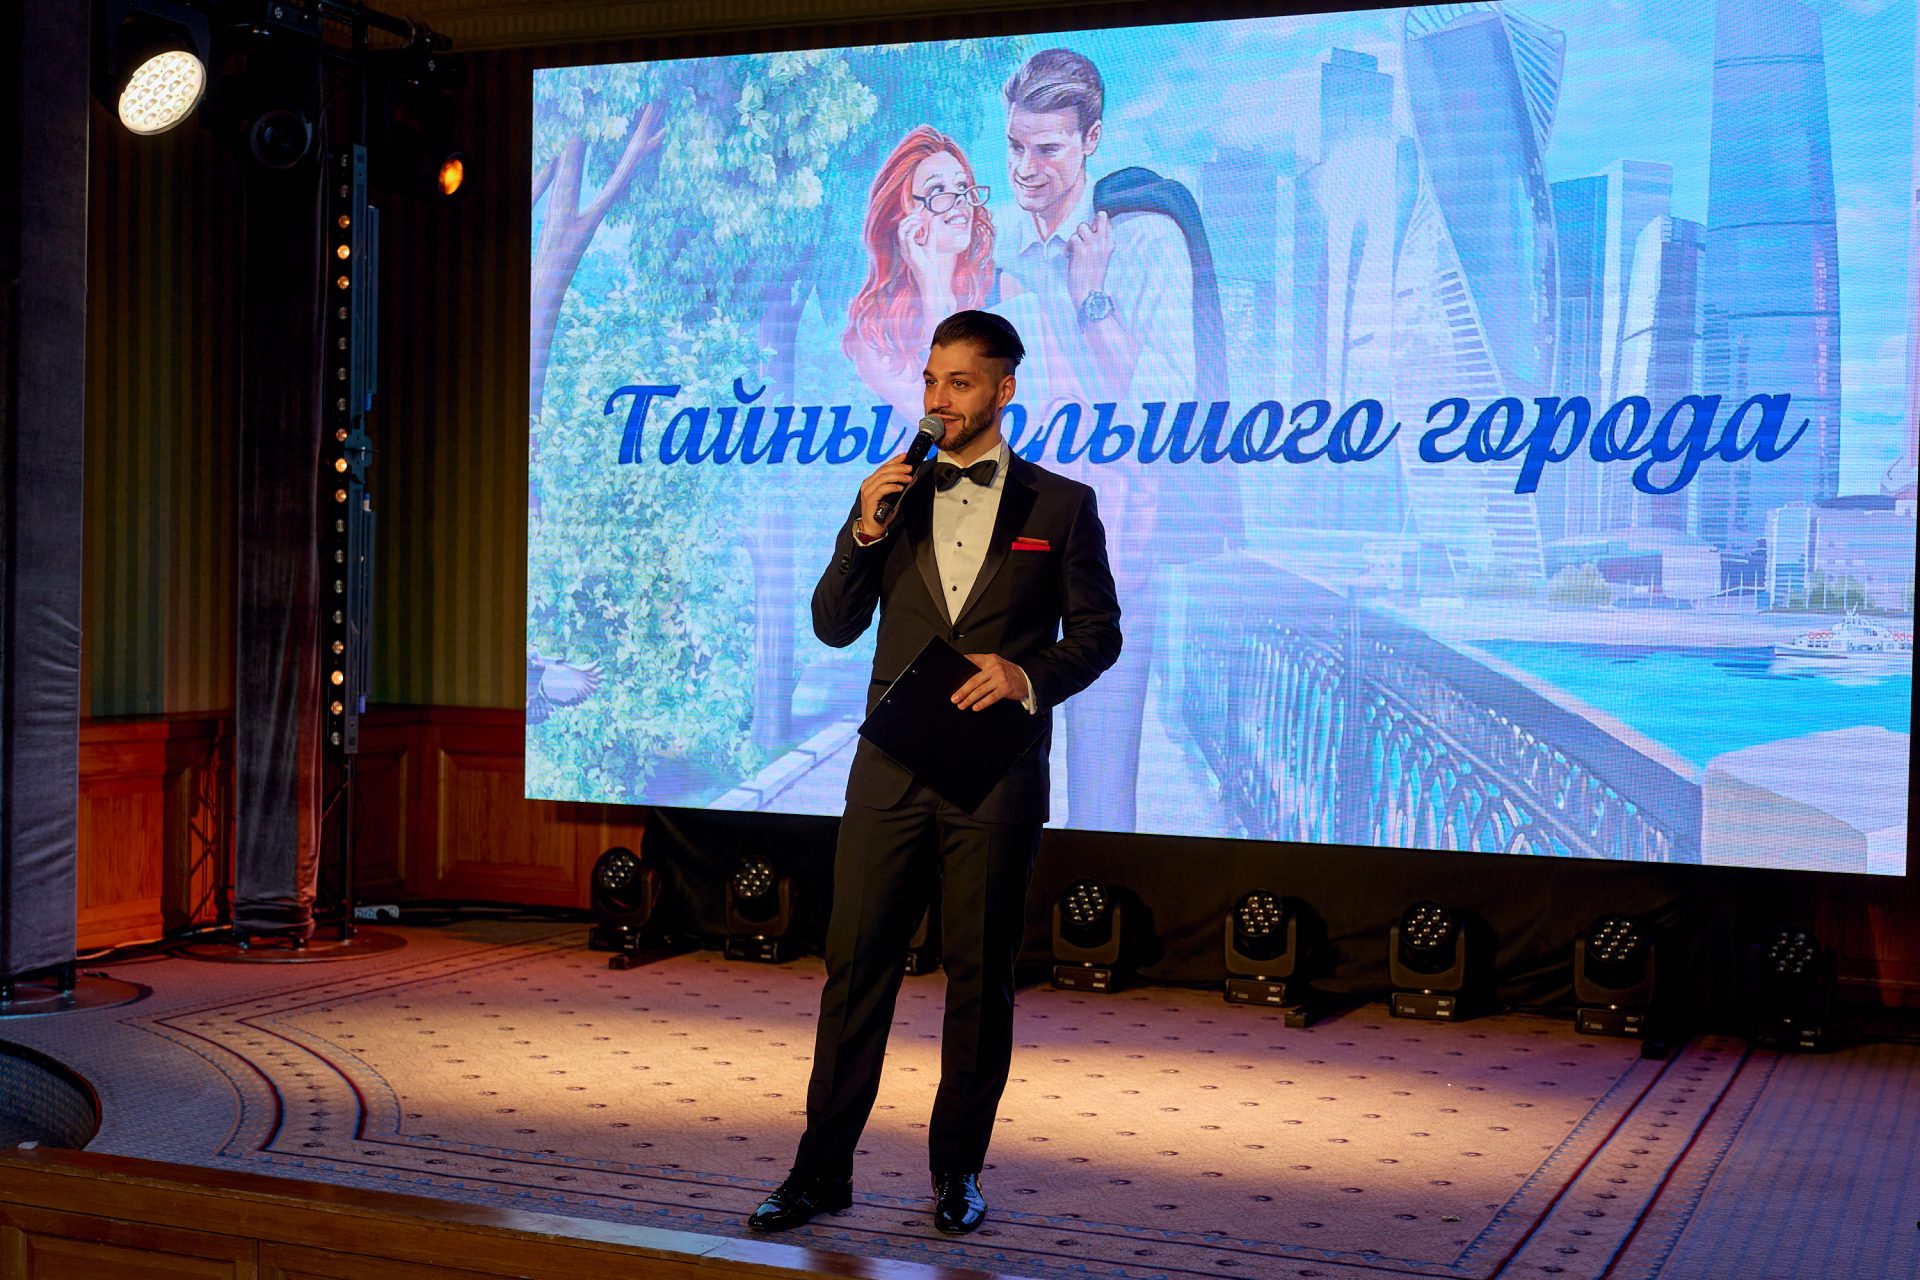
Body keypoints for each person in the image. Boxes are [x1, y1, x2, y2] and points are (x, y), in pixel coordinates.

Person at [748, 310, 1122, 1236]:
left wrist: (1026, 675)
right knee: (855, 971)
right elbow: (833, 624)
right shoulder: (891, 494)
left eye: (959, 382)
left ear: (1002, 390)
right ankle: (819, 1172)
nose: (938, 399)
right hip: (889, 771)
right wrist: (863, 529)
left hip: (995, 775)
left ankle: (957, 1173)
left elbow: (1100, 635)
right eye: (930, 380)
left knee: (979, 979)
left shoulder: (1061, 505)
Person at [997, 47, 1198, 835]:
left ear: (1092, 140)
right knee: (994, 794)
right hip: (1006, 565)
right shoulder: (1005, 258)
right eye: (1016, 146)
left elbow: (1164, 413)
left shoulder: (1144, 240)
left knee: (1100, 800)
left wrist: (1093, 299)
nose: (1027, 169)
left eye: (1048, 148)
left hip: (1108, 564)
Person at [843, 126, 998, 427]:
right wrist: (930, 288)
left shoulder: (1003, 290)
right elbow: (946, 423)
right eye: (937, 191)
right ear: (901, 215)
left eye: (962, 186)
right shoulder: (873, 333)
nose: (960, 200)